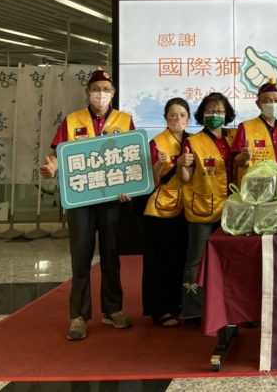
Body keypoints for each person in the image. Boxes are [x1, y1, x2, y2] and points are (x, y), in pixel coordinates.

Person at [39, 68, 134, 341]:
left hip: (111, 199)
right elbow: (57, 154)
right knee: (80, 257)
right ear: (87, 92)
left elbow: (130, 158)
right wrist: (51, 168)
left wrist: (128, 187)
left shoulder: (125, 120)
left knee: (111, 254)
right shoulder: (72, 120)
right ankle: (78, 316)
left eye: (106, 89)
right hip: (80, 199)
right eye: (96, 89)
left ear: (113, 93)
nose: (101, 94)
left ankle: (112, 310)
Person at [177, 92, 237, 328]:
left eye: (220, 111)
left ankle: (231, 307)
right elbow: (185, 178)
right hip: (202, 206)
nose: (215, 115)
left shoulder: (234, 137)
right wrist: (181, 165)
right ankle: (194, 310)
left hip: (233, 207)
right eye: (210, 111)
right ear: (202, 114)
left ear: (226, 114)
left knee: (232, 258)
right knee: (197, 258)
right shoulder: (193, 142)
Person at [139, 98, 190, 328]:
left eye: (182, 115)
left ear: (188, 118)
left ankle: (177, 303)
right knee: (159, 262)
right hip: (160, 209)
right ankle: (159, 309)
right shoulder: (157, 143)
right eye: (172, 115)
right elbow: (149, 180)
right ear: (165, 118)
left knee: (179, 259)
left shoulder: (193, 141)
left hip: (186, 208)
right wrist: (160, 163)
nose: (178, 119)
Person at [231, 78, 277, 183]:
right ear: (258, 104)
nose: (273, 104)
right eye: (267, 101)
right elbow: (237, 160)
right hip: (257, 185)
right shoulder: (245, 127)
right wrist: (244, 156)